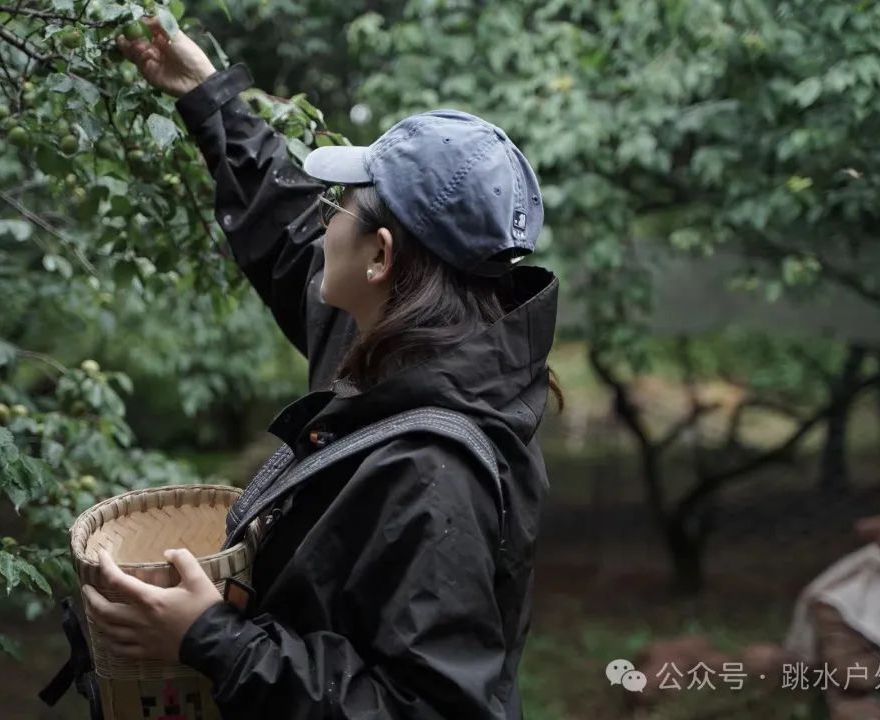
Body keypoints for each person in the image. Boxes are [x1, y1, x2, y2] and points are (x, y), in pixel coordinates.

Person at [82, 15, 563, 719]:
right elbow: (286, 234)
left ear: (380, 256)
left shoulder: (435, 475)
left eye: (342, 204)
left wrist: (211, 641)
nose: (326, 218)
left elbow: (422, 709)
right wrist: (203, 92)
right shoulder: (400, 350)